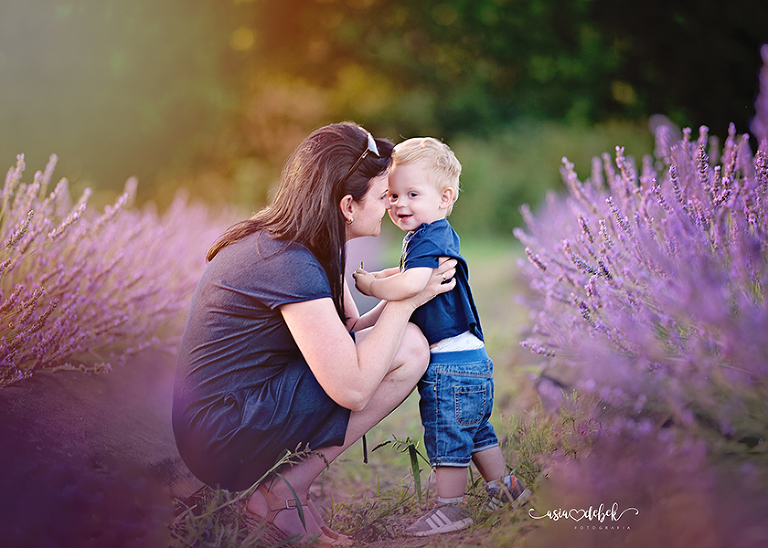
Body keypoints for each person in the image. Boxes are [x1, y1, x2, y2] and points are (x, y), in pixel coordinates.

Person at [172, 123, 457, 545]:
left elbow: (346, 336)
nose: (390, 207)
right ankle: (280, 497)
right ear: (347, 205)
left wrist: (401, 288)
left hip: (237, 411)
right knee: (409, 345)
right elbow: (354, 387)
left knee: (399, 341)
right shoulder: (289, 261)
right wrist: (405, 301)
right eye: (383, 197)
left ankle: (278, 494)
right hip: (221, 433)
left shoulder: (310, 245)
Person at [353, 137, 531, 536]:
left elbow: (414, 283)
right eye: (393, 194)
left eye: (412, 194)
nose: (400, 204)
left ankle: (450, 509)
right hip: (469, 360)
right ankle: (505, 488)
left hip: (451, 365)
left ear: (445, 197)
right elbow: (410, 287)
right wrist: (374, 304)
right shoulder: (427, 235)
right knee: (475, 429)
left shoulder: (432, 235)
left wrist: (371, 287)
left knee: (447, 434)